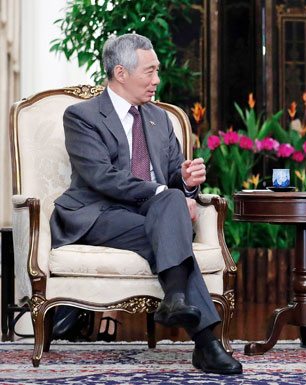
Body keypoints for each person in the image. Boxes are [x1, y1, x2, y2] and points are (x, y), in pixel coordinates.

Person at [49, 33, 242, 375]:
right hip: (97, 215)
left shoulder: (158, 118)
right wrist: (166, 194)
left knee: (169, 210)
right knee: (170, 222)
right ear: (121, 73)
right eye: (150, 72)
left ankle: (178, 304)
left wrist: (185, 180)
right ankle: (205, 342)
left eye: (157, 71)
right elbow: (101, 177)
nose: (157, 80)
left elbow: (170, 175)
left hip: (148, 216)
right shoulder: (81, 116)